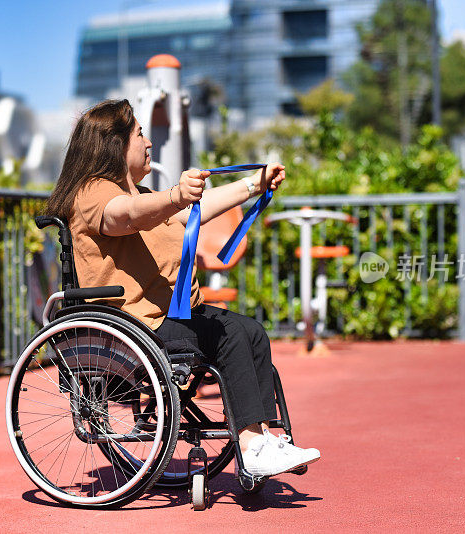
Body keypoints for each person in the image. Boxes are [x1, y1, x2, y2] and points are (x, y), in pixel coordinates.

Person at [44, 99, 319, 477]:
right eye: (140, 134)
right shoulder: (92, 192)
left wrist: (253, 183)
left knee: (252, 331)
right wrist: (175, 194)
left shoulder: (141, 195)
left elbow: (192, 213)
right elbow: (121, 217)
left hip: (167, 316)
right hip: (136, 325)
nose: (149, 143)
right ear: (115, 144)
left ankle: (261, 436)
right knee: (231, 335)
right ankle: (252, 445)